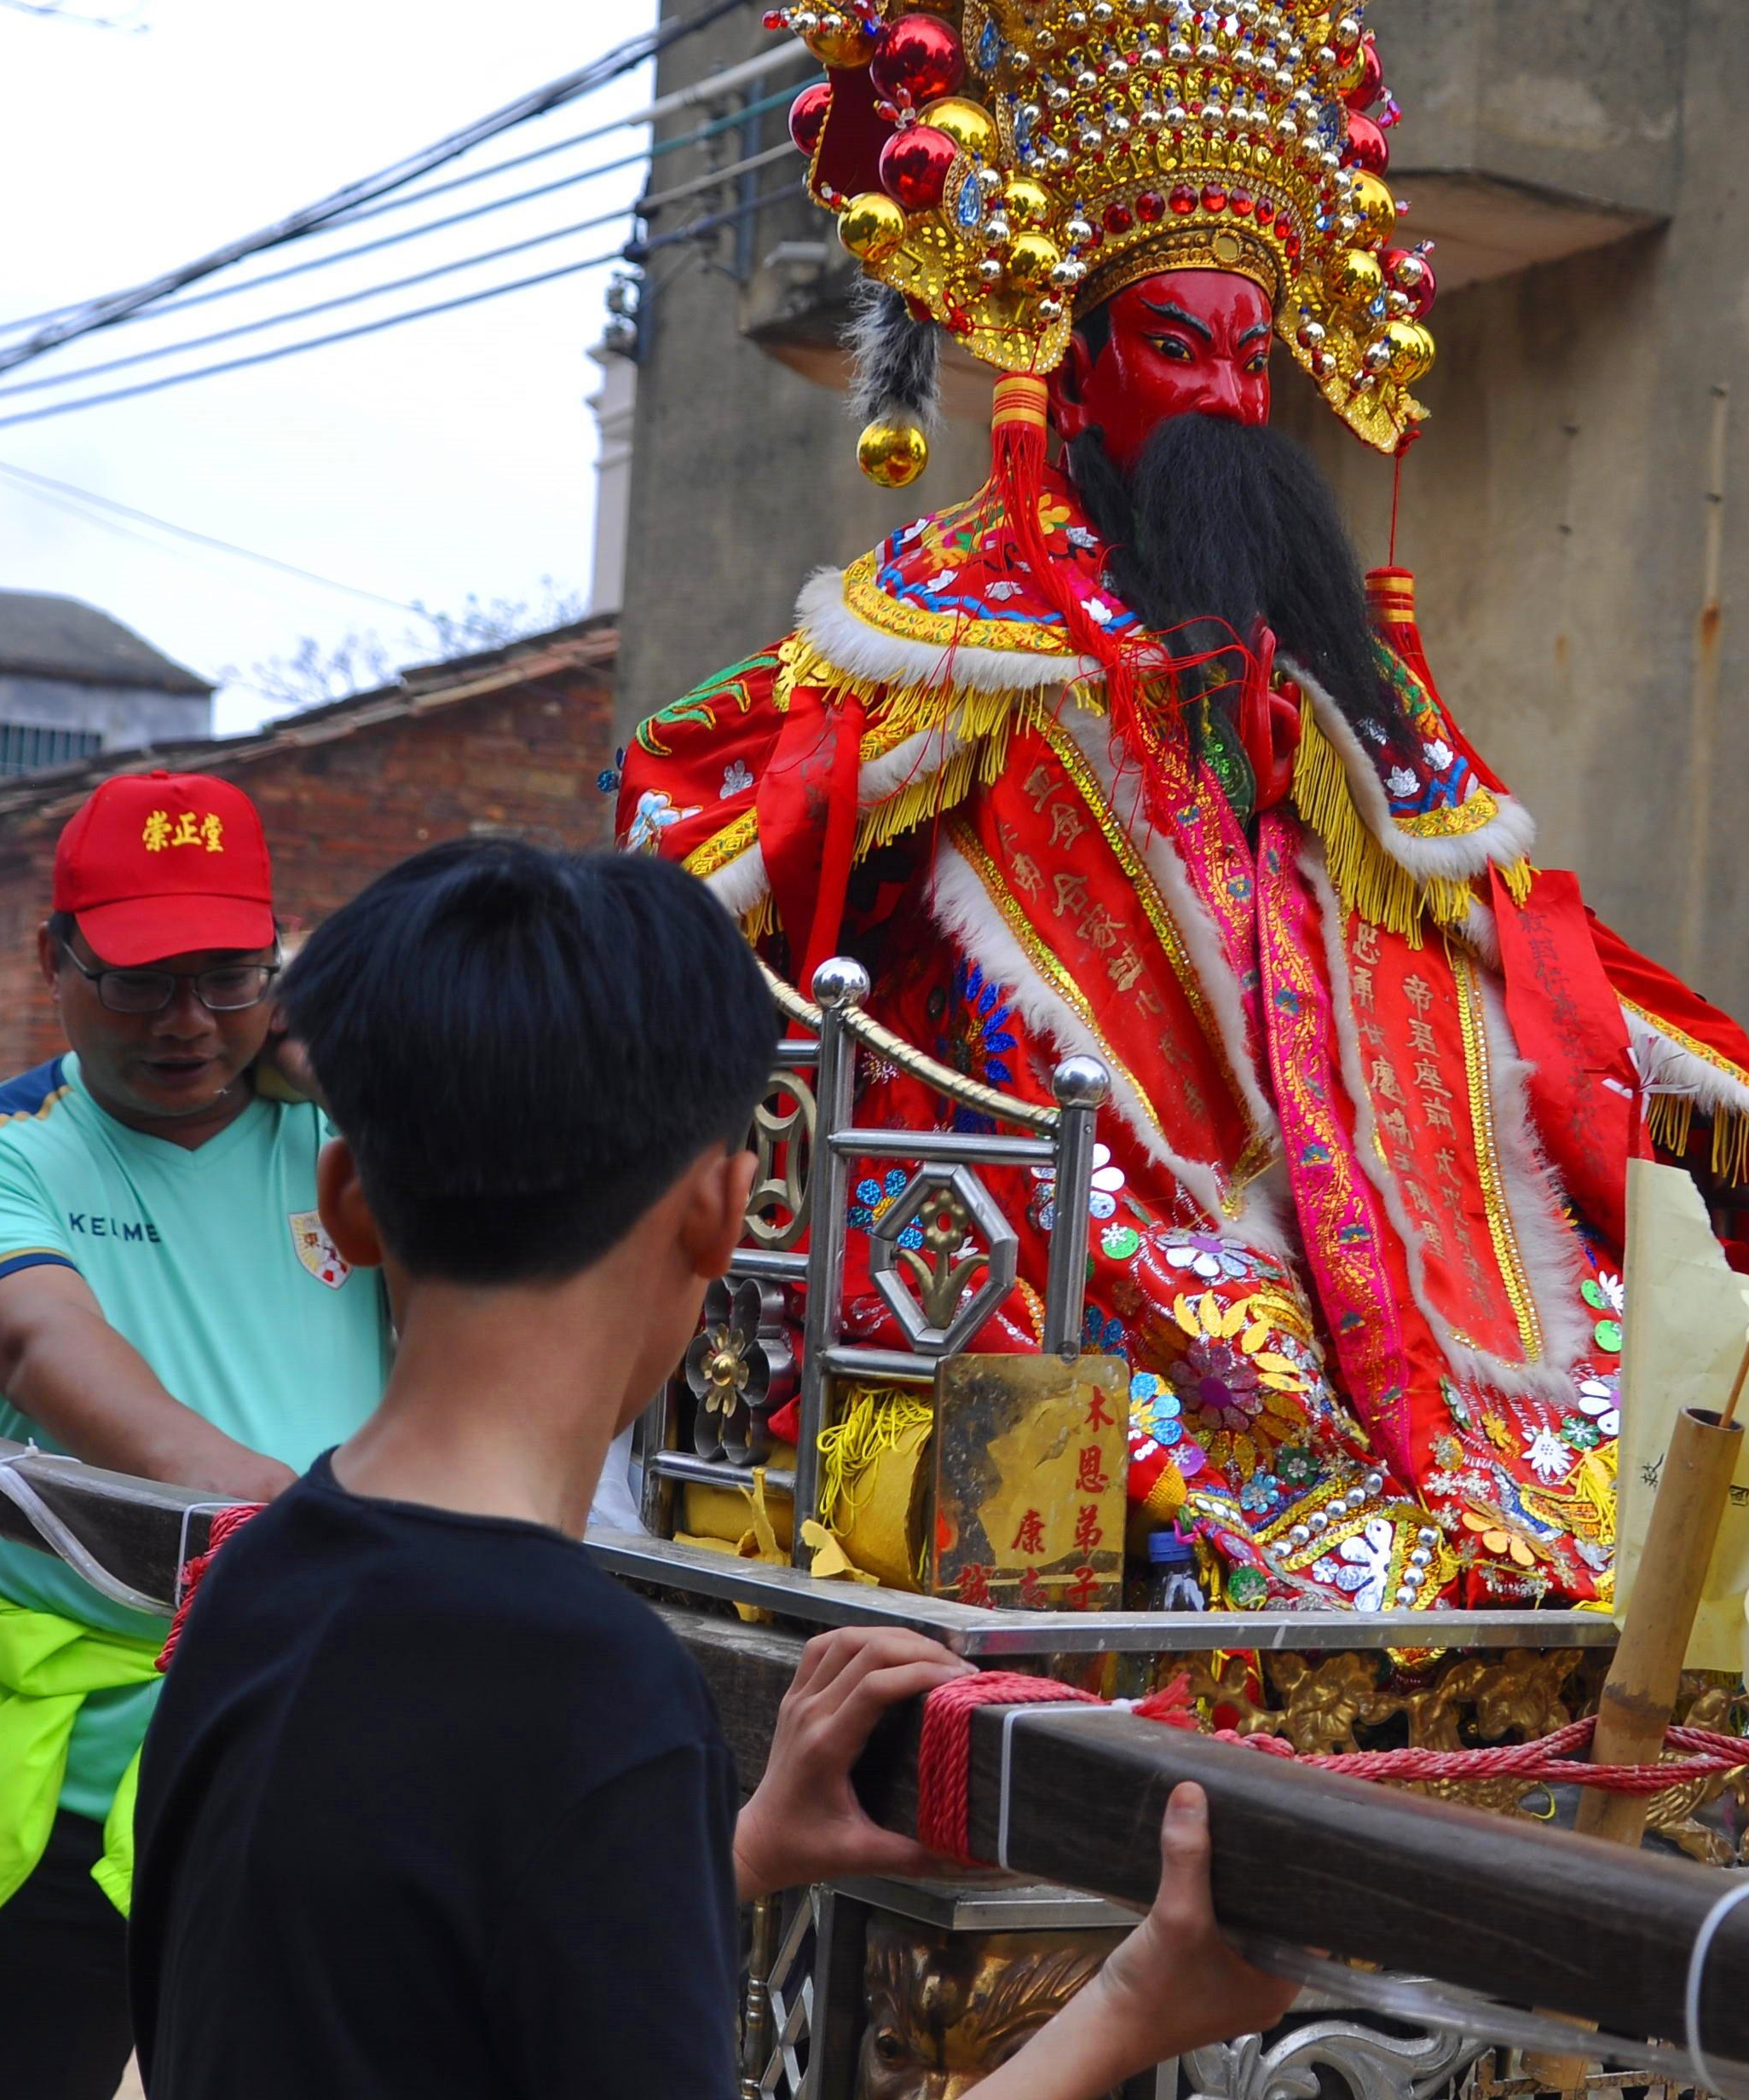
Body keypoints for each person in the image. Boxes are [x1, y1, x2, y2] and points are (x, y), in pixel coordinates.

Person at [617, 0, 1749, 1610]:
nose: (1234, 401)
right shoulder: (952, 640)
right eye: (1180, 348)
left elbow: (1509, 946)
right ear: (1067, 368)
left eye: (1253, 355)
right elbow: (717, 823)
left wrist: (1704, 1099)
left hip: (1404, 1275)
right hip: (1082, 1248)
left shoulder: (1314, 692)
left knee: (1610, 1481)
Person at [134, 833, 1292, 2097]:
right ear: (724, 1211)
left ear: (347, 1201)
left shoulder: (254, 1579)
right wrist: (1127, 2007)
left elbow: (372, 1982)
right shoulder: (591, 1689)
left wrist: (726, 1850)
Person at [0, 769, 387, 2100]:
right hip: (67, 1773)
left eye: (229, 976)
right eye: (139, 978)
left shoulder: (358, 1133)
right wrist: (337, 1540)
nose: (187, 1022)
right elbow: (45, 1351)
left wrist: (356, 1070)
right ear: (53, 961)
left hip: (307, 1740)